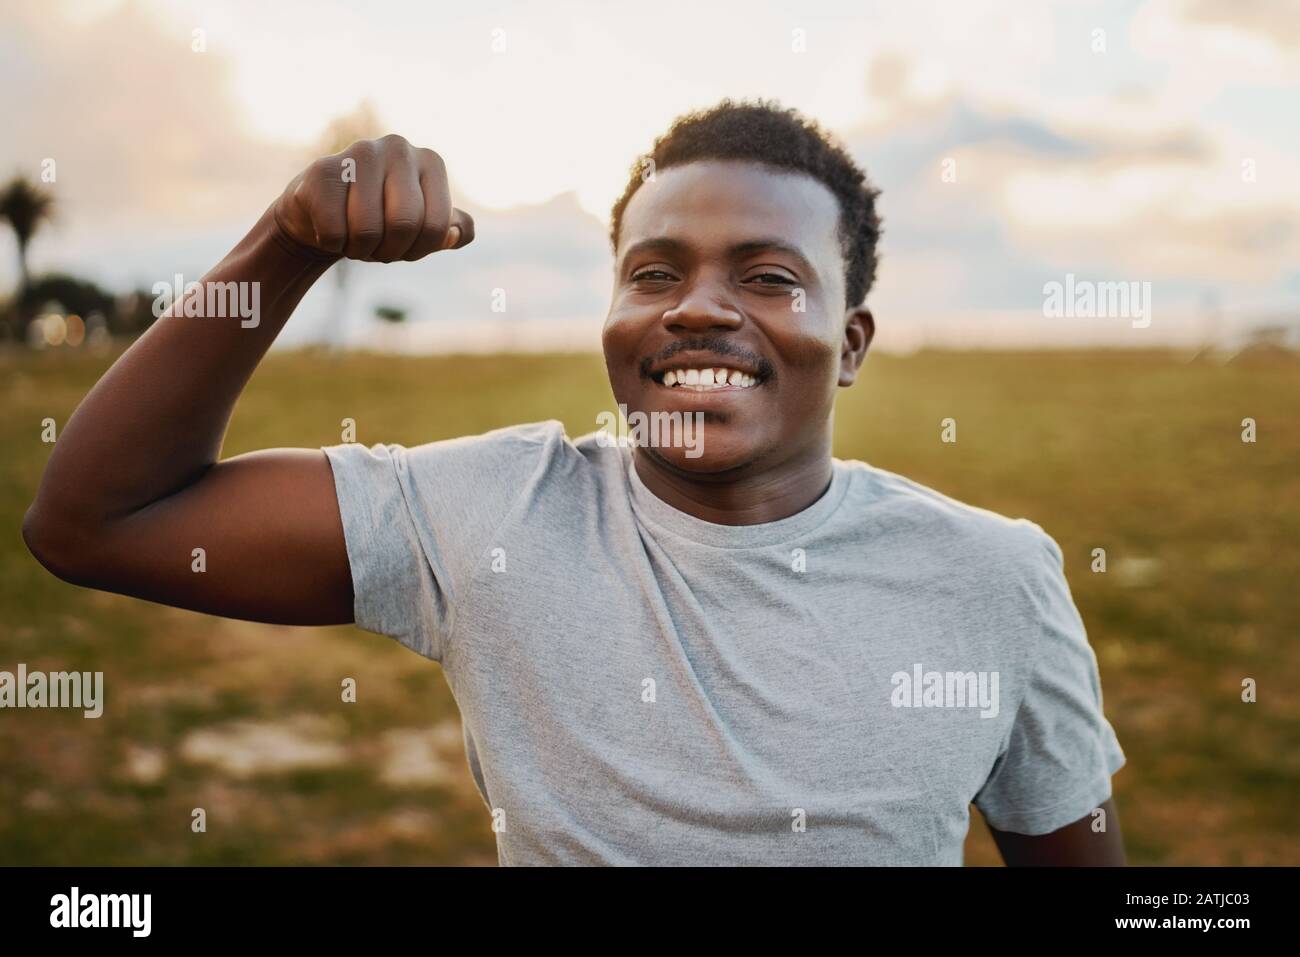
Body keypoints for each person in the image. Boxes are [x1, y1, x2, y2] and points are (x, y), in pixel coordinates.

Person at [24, 99, 1126, 865]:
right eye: (653, 272)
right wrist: (287, 242)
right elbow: (98, 521)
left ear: (849, 342)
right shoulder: (494, 514)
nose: (696, 306)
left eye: (768, 276)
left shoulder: (992, 580)